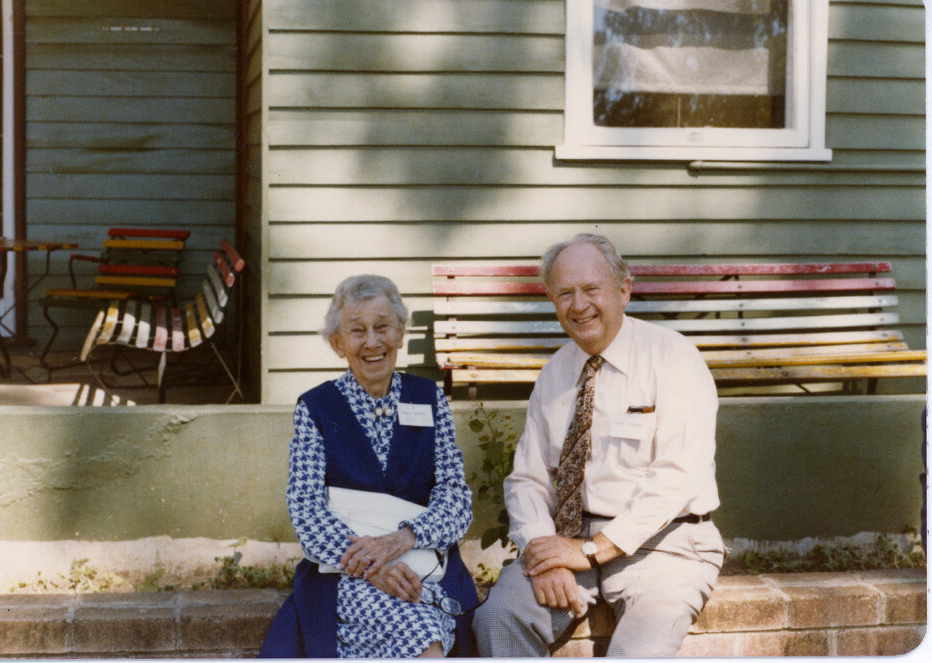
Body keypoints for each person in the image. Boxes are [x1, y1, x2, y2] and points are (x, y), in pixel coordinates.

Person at [473, 234, 725, 657]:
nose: (579, 305)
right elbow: (527, 479)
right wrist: (543, 551)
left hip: (666, 544)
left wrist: (593, 550)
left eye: (592, 289)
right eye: (565, 293)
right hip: (569, 538)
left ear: (624, 290)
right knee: (499, 619)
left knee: (639, 651)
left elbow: (678, 476)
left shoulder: (674, 358)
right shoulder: (555, 372)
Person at [259, 274, 478, 658]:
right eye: (357, 331)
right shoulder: (316, 407)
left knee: (427, 625)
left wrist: (404, 538)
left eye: (382, 327)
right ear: (337, 344)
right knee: (423, 632)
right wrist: (372, 567)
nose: (372, 342)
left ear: (400, 333)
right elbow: (307, 509)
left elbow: (455, 497)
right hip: (344, 573)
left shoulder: (429, 399)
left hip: (423, 564)